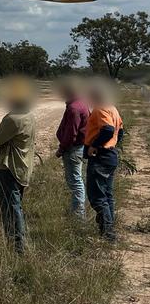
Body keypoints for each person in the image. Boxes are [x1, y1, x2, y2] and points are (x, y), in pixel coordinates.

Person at [0, 76, 36, 253]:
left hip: (9, 167)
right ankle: (18, 242)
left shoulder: (12, 119)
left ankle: (17, 245)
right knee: (16, 205)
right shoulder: (30, 116)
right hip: (23, 167)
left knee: (10, 207)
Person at [84, 80, 123, 241]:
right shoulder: (112, 108)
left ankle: (108, 233)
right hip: (110, 155)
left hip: (100, 157)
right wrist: (112, 144)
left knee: (97, 196)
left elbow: (108, 129)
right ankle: (108, 229)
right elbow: (120, 131)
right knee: (107, 195)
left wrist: (95, 145)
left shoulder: (100, 109)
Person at [55, 78, 90, 217]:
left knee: (75, 181)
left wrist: (61, 149)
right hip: (78, 148)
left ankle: (78, 215)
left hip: (73, 149)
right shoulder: (81, 103)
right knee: (76, 180)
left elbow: (71, 134)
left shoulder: (73, 108)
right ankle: (78, 211)